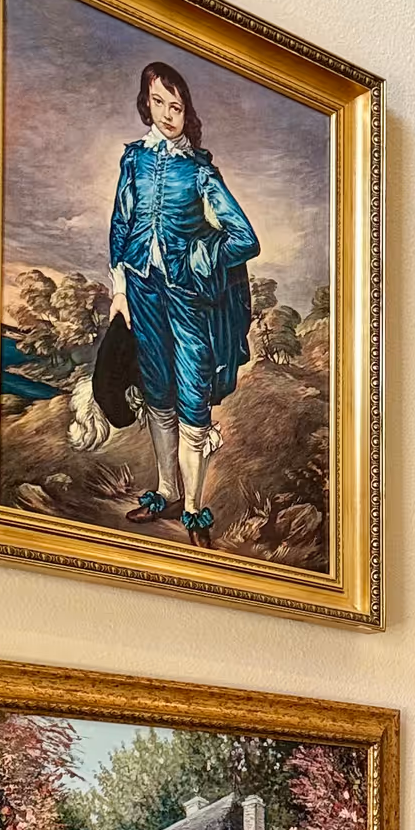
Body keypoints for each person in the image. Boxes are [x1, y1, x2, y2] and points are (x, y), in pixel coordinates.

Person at [107, 62, 259, 547]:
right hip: (142, 289)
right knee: (157, 390)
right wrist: (119, 290)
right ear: (146, 103)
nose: (167, 114)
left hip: (189, 298)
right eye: (158, 102)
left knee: (193, 395)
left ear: (186, 111)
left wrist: (198, 257)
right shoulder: (134, 160)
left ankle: (193, 508)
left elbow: (245, 238)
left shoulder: (198, 171)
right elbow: (120, 224)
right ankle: (167, 492)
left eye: (176, 106)